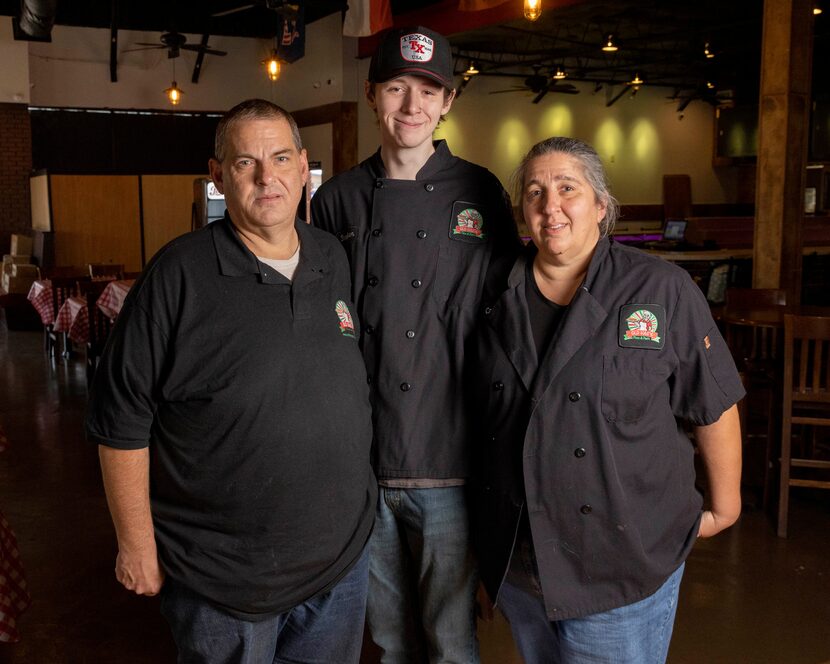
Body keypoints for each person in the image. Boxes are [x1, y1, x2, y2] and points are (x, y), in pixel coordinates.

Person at [85, 99, 376, 663]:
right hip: (224, 578)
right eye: (245, 163)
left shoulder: (330, 258)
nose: (267, 177)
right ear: (217, 175)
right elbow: (120, 419)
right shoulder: (178, 274)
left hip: (338, 563)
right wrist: (136, 542)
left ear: (303, 166)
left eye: (281, 158)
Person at [471, 136, 744, 664]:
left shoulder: (659, 289)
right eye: (534, 192)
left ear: (601, 205)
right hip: (522, 565)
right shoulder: (493, 293)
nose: (550, 206)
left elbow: (713, 400)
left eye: (567, 188)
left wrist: (725, 507)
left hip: (620, 568)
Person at [311, 26, 520, 664]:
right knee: (389, 639)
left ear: (448, 101)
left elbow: (508, 322)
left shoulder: (482, 193)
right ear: (373, 95)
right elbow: (320, 328)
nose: (411, 106)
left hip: (449, 458)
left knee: (452, 639)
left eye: (427, 91)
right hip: (362, 460)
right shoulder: (336, 200)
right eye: (396, 88)